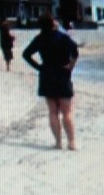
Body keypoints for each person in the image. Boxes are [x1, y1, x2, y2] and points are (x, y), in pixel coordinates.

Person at [22, 12, 79, 150]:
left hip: (46, 74)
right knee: (67, 112)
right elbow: (75, 52)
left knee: (53, 112)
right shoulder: (63, 37)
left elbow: (26, 54)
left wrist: (39, 67)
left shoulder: (39, 38)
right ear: (53, 23)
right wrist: (70, 66)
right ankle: (71, 142)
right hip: (62, 74)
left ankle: (58, 143)